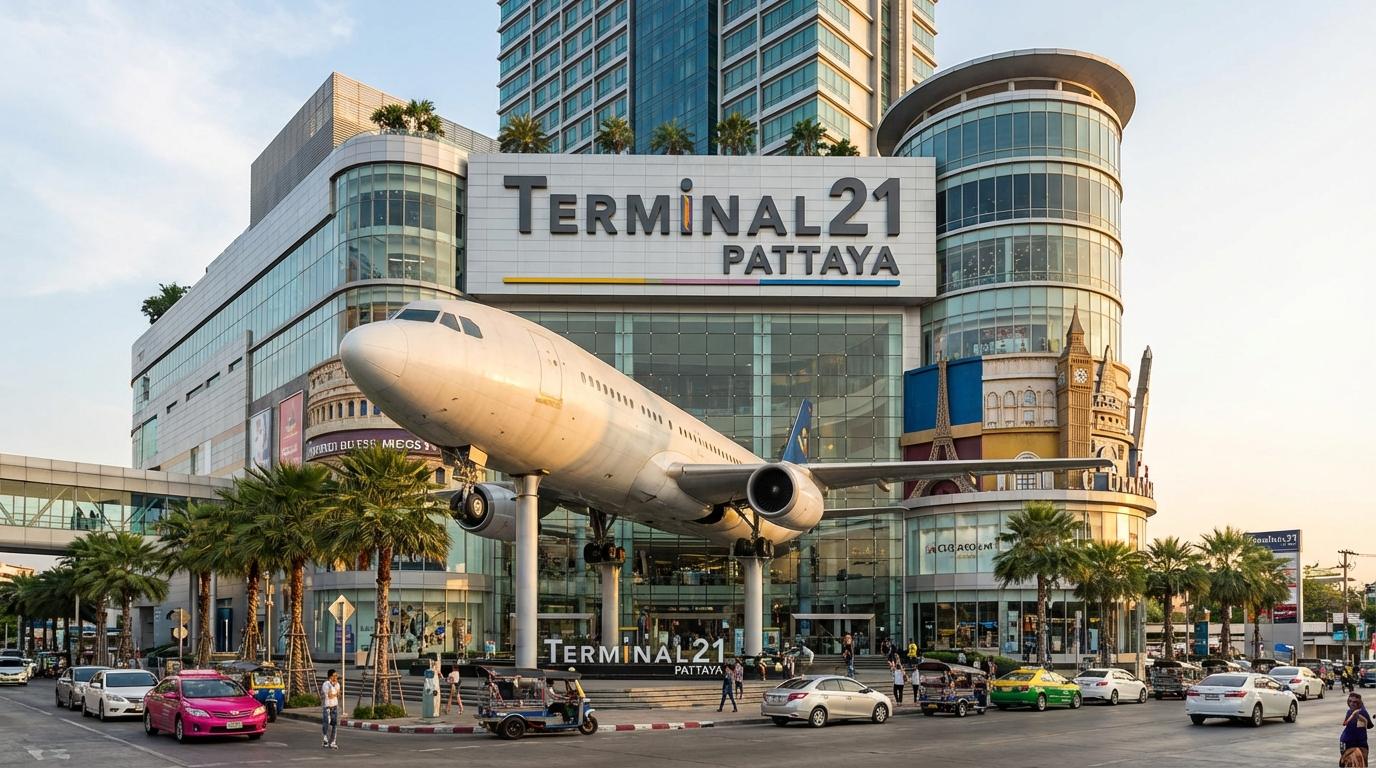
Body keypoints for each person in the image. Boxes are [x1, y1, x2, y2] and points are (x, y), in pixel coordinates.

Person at [1341, 693, 1371, 766]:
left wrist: (1361, 718)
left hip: (1360, 744)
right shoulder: (1349, 711)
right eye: (1350, 701)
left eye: (1354, 702)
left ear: (1359, 703)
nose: (1352, 704)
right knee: (1344, 763)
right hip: (1345, 742)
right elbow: (1345, 723)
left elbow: (1369, 725)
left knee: (1362, 763)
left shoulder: (1362, 712)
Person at [321, 669, 341, 750]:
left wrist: (335, 694)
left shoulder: (337, 685)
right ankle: (325, 739)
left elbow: (339, 695)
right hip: (327, 708)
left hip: (335, 707)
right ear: (330, 676)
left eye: (337, 676)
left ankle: (333, 742)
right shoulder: (326, 684)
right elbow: (330, 696)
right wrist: (336, 693)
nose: (336, 677)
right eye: (335, 675)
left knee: (334, 725)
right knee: (326, 724)